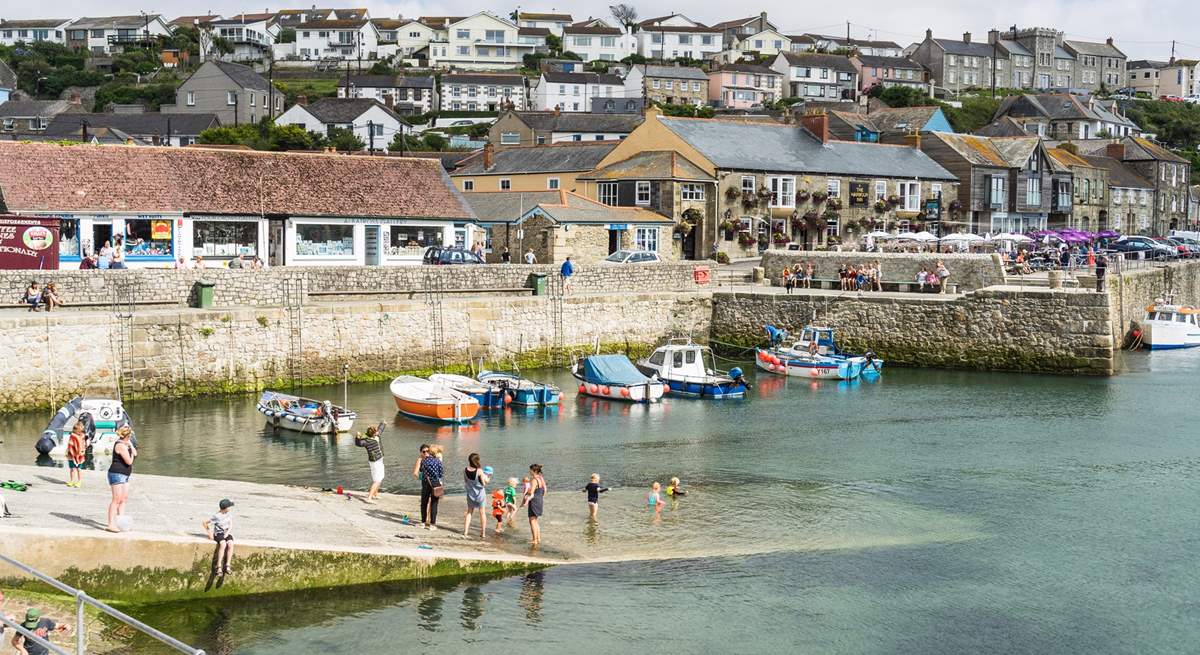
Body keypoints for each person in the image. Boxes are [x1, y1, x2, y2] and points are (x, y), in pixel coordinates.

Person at [105, 425, 136, 533]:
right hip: (117, 474)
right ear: (128, 435)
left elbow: (135, 453)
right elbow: (129, 461)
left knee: (123, 500)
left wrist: (131, 445)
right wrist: (131, 453)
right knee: (116, 500)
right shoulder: (120, 445)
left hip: (125, 475)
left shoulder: (126, 444)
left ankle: (121, 523)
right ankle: (110, 524)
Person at [203, 498, 235, 575]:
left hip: (226, 532)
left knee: (230, 543)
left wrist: (227, 533)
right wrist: (210, 533)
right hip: (219, 534)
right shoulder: (216, 516)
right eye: (229, 507)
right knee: (223, 544)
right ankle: (219, 566)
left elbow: (230, 524)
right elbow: (205, 522)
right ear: (225, 508)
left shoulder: (228, 514)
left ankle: (227, 565)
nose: (229, 508)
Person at [462, 453, 491, 539]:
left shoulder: (464, 470)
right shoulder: (479, 471)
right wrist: (488, 478)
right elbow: (484, 483)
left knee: (469, 512)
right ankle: (483, 533)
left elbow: (466, 481)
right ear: (477, 460)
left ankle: (465, 532)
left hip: (470, 493)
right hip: (480, 494)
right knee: (482, 513)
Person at [354, 424, 385, 503]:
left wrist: (383, 423)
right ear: (374, 433)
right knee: (377, 480)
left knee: (379, 477)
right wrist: (357, 437)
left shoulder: (369, 439)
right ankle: (369, 498)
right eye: (376, 432)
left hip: (378, 461)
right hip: (375, 462)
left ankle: (375, 494)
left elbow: (358, 443)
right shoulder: (368, 440)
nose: (377, 432)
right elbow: (359, 443)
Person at [418, 445, 444, 530]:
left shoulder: (424, 461)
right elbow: (441, 473)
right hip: (435, 483)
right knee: (434, 504)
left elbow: (421, 470)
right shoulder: (438, 461)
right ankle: (432, 524)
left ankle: (423, 522)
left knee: (424, 503)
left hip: (426, 482)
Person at [524, 464, 546, 546]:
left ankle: (534, 540)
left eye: (530, 470)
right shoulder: (540, 478)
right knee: (535, 521)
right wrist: (540, 497)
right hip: (539, 499)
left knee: (532, 521)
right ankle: (538, 538)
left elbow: (531, 492)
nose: (529, 471)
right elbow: (545, 490)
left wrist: (526, 494)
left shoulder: (534, 480)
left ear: (534, 471)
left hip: (534, 501)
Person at [65, 422, 86, 488]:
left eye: (80, 430)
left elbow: (83, 445)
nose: (79, 432)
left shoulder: (82, 436)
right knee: (72, 469)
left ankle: (79, 481)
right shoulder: (72, 436)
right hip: (72, 455)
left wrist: (81, 451)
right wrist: (68, 451)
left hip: (80, 455)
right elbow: (70, 444)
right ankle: (72, 480)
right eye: (76, 430)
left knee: (79, 469)